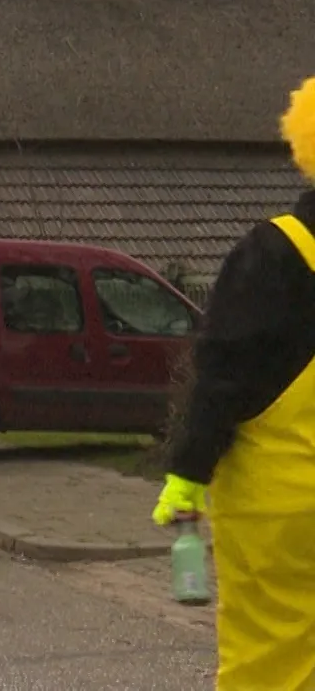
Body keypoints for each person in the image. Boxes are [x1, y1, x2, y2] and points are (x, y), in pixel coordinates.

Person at [152, 76, 315, 690]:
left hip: (280, 505)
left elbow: (222, 372)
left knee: (269, 655)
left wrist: (188, 473)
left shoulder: (275, 253)